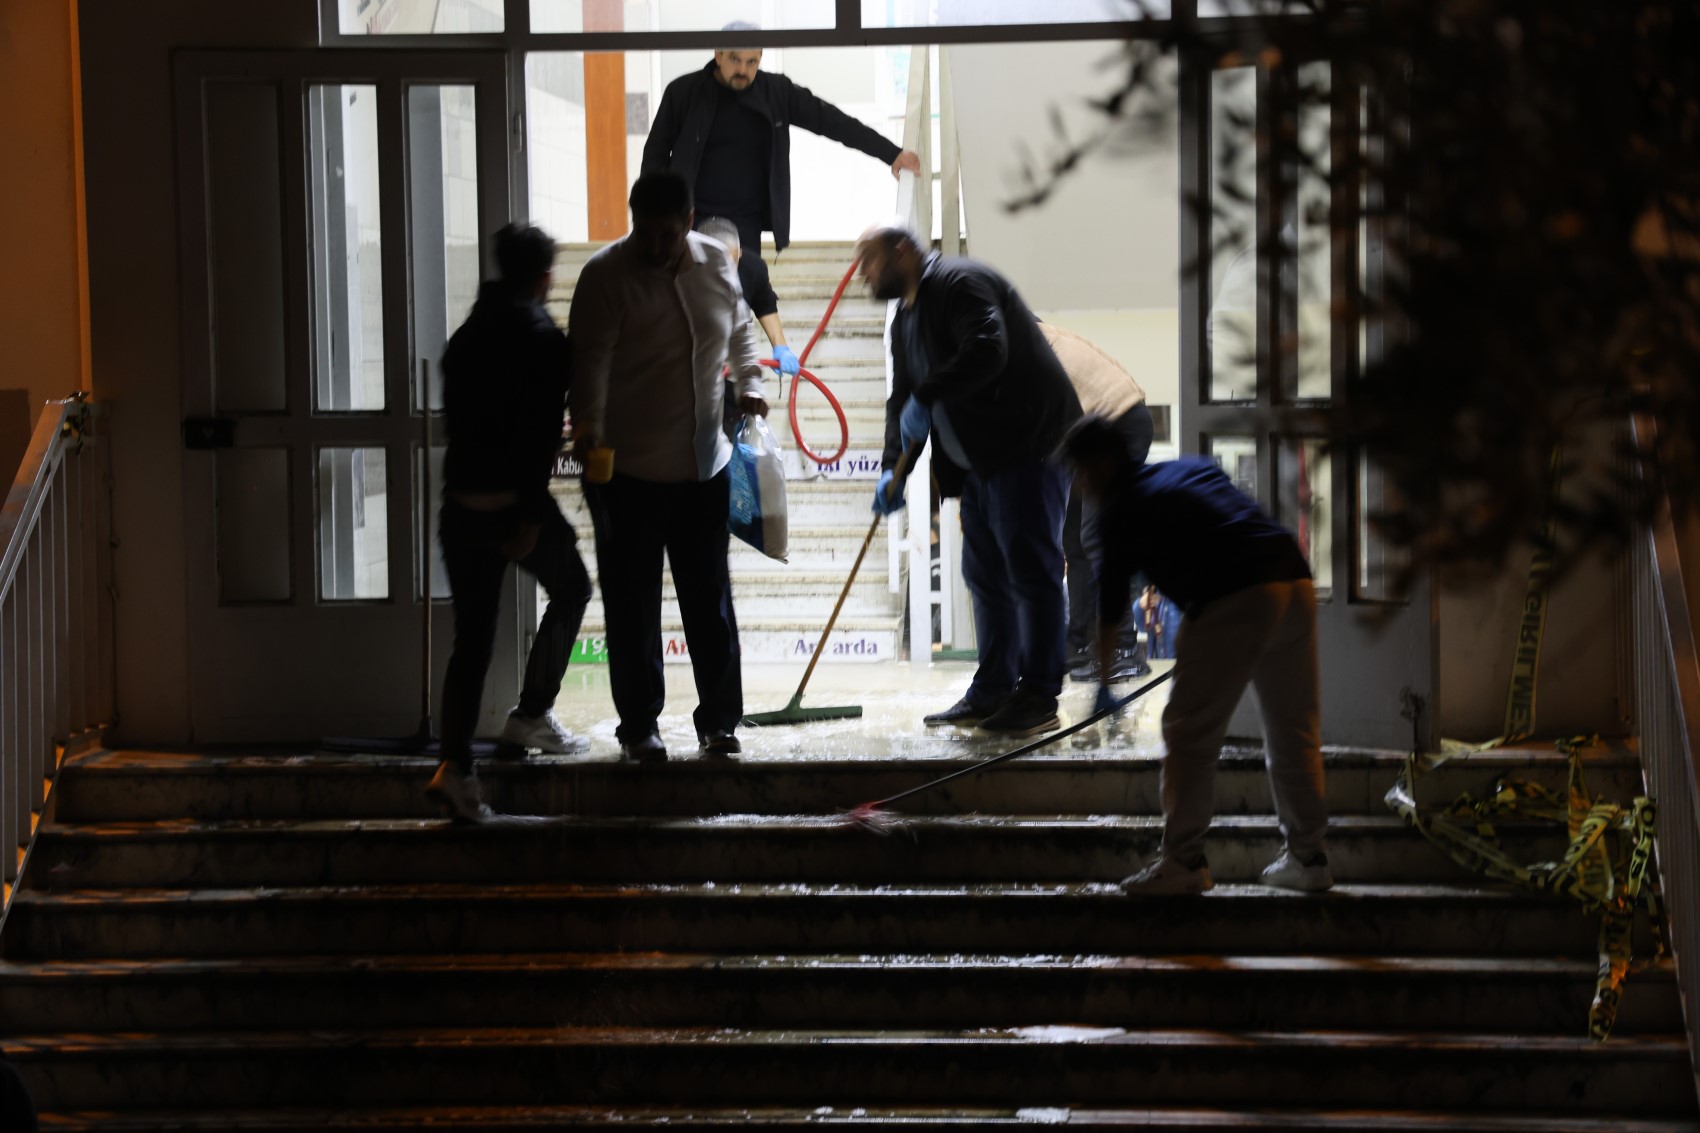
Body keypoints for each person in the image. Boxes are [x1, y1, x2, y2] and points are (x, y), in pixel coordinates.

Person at [1066, 415, 1331, 894]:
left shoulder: (1118, 510)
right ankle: (1309, 858)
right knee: (1294, 730)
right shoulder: (1185, 469)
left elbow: (1108, 612)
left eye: (1078, 471)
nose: (1077, 483)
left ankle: (1184, 862)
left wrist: (1104, 685)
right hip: (1292, 578)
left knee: (1188, 733)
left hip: (1234, 592)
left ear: (1098, 466)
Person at [568, 171, 768, 764]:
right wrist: (586, 430)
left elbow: (739, 334)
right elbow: (589, 367)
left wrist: (752, 384)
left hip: (704, 468)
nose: (654, 247)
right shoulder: (605, 276)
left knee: (710, 605)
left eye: (666, 235)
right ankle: (639, 728)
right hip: (626, 474)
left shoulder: (714, 263)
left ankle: (720, 723)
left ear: (688, 220)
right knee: (631, 608)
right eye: (644, 234)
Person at [860, 224, 1082, 737]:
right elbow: (904, 400)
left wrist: (929, 395)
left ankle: (1040, 695)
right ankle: (994, 688)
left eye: (868, 261)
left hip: (1028, 443)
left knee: (1030, 569)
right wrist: (895, 467)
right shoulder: (905, 318)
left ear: (902, 251)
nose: (863, 275)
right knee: (984, 573)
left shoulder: (960, 282)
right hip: (980, 460)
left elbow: (988, 348)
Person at [426, 223, 594, 823]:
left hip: (459, 507)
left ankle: (456, 767)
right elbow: (538, 438)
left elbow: (463, 427)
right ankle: (529, 714)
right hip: (508, 508)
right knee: (573, 586)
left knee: (471, 640)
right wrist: (526, 515)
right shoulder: (542, 338)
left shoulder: (466, 335)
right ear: (545, 278)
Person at [642, 21, 922, 377]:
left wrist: (891, 153)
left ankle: (729, 399)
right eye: (734, 60)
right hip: (689, 221)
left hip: (743, 227)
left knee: (735, 308)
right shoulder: (684, 93)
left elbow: (830, 120)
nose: (743, 70)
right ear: (717, 56)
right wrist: (652, 223)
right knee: (684, 305)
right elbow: (654, 158)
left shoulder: (776, 92)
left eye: (752, 62)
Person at [1038, 321, 1155, 684]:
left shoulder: (1032, 347)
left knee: (1096, 537)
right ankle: (1080, 647)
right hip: (1089, 434)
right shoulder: (1035, 339)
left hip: (1118, 425)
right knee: (1074, 540)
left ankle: (1123, 648)